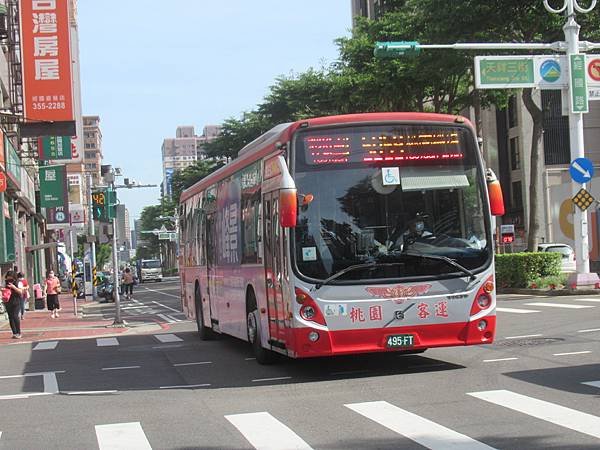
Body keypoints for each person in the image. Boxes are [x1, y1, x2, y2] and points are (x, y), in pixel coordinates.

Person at [4, 270, 24, 339]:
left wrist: (13, 287)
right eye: (8, 277)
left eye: (10, 277)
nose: (9, 279)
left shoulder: (18, 282)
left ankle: (19, 332)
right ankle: (14, 333)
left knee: (15, 316)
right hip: (8, 301)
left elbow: (21, 292)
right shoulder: (6, 282)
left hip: (16, 301)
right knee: (11, 317)